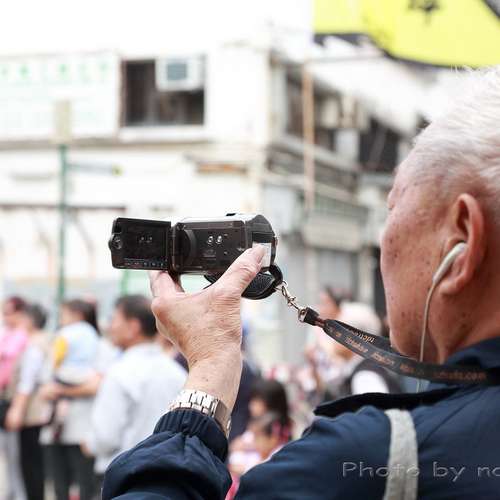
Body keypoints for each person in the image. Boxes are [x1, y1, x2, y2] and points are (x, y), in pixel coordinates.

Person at [103, 68, 500, 498]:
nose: (384, 240)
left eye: (392, 208)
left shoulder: (367, 460)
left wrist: (209, 369)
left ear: (462, 236)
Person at [84, 295, 186, 488]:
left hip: (121, 476)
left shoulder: (120, 372)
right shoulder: (176, 372)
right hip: (166, 477)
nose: (110, 326)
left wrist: (90, 444)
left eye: (114, 319)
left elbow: (105, 437)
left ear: (133, 327)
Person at [40, 299, 100, 500]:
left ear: (77, 314)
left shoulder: (72, 336)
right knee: (68, 481)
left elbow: (95, 386)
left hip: (77, 424)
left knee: (76, 481)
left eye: (63, 314)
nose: (61, 319)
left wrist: (60, 389)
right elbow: (45, 382)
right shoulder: (93, 338)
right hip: (62, 425)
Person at [5, 304, 52, 500]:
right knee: (33, 462)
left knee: (30, 463)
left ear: (30, 321)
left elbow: (27, 382)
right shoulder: (44, 340)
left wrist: (16, 409)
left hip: (31, 413)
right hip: (36, 412)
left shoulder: (34, 345)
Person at [0, 296, 28, 500]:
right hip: (4, 397)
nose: (6, 317)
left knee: (15, 454)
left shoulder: (22, 336)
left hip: (13, 399)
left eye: (9, 312)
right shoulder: (6, 333)